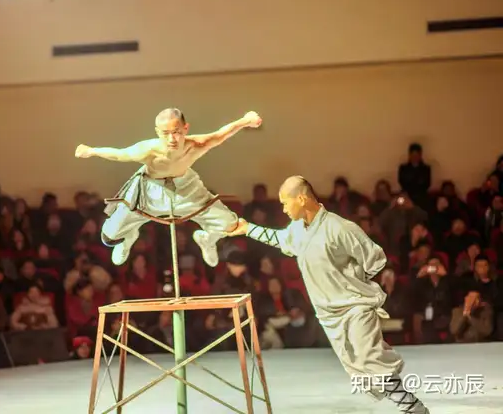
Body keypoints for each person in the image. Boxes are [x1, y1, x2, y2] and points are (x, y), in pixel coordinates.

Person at [228, 175, 429, 414]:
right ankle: (410, 405)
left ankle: (413, 408)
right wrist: (247, 228)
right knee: (358, 366)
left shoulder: (340, 227)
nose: (282, 208)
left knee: (368, 358)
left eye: (285, 202)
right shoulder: (297, 230)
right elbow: (279, 239)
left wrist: (357, 281)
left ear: (301, 199)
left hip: (355, 306)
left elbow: (375, 258)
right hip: (329, 313)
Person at [75, 108, 261, 267]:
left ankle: (207, 239)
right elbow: (118, 154)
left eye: (177, 132)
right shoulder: (147, 149)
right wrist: (90, 150)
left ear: (185, 128)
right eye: (166, 133)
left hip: (186, 189)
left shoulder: (196, 145)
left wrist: (246, 120)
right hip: (149, 192)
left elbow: (221, 134)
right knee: (109, 236)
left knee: (230, 223)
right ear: (157, 132)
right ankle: (128, 238)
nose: (172, 138)